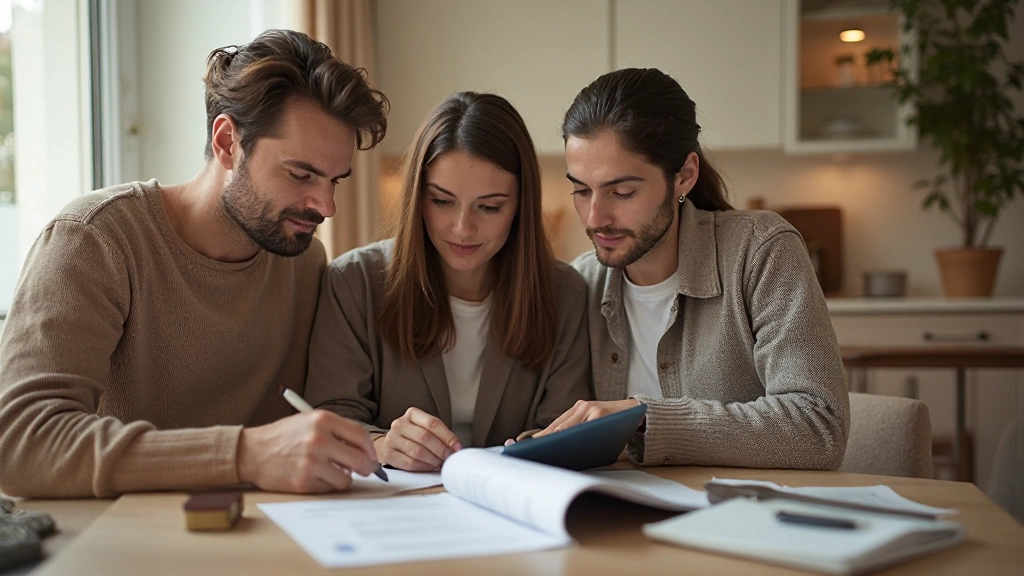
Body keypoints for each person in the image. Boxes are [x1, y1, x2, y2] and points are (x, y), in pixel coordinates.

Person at [0, 30, 389, 498]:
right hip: (123, 545)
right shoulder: (95, 240)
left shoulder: (304, 261)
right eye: (300, 174)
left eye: (335, 180)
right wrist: (243, 454)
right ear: (227, 142)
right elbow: (18, 444)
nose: (325, 207)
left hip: (266, 537)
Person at [537, 68, 849, 470]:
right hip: (625, 518)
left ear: (684, 175)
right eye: (581, 190)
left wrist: (645, 419)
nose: (595, 217)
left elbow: (819, 428)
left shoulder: (759, 252)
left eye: (622, 192)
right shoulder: (582, 283)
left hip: (747, 519)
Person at [303, 92, 591, 471]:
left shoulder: (565, 293)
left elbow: (564, 432)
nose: (462, 228)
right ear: (418, 197)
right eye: (442, 201)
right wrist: (382, 444)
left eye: (489, 207)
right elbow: (332, 417)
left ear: (520, 205)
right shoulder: (353, 282)